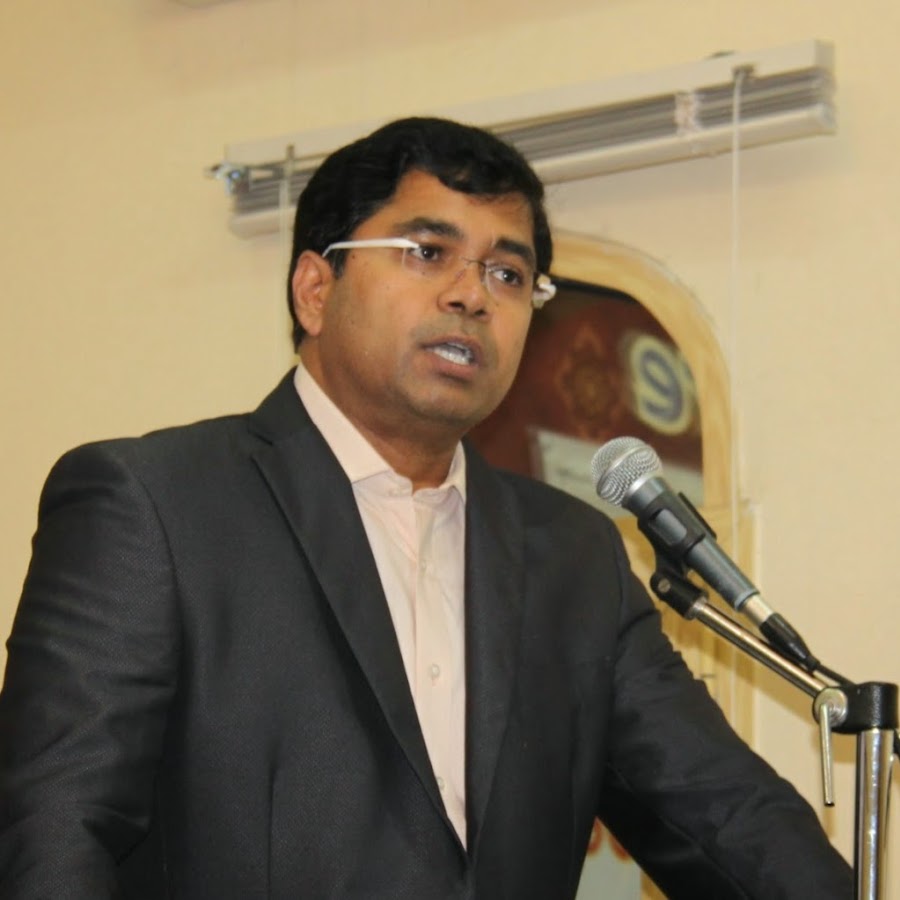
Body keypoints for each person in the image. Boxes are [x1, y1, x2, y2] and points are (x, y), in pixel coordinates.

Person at [0, 117, 852, 899]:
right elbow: (55, 833)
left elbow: (725, 814)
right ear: (315, 289)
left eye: (508, 273)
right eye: (426, 251)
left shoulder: (572, 557)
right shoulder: (153, 505)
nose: (471, 295)